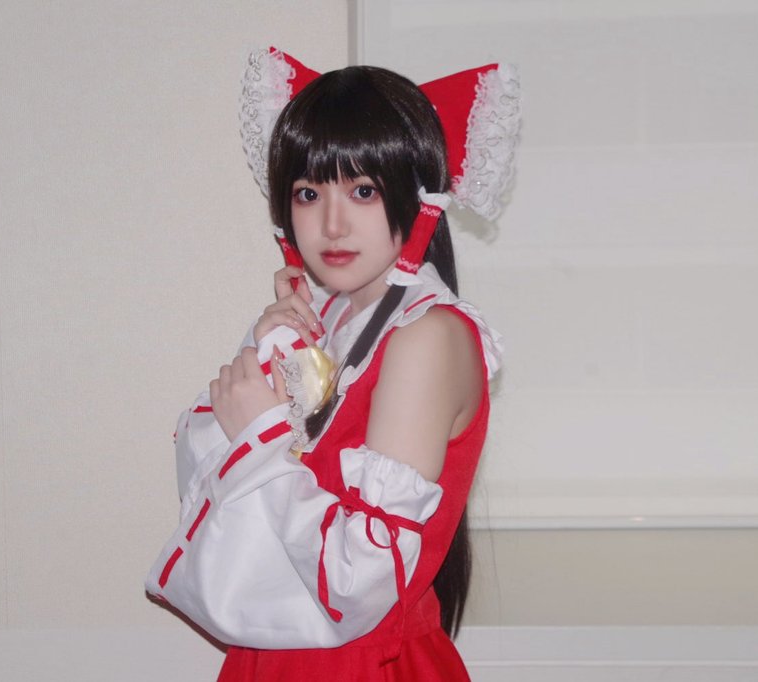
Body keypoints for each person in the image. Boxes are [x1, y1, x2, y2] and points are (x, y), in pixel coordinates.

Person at [147, 48, 520, 681]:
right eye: (308, 192)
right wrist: (271, 350)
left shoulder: (426, 337)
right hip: (276, 658)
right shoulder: (335, 321)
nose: (332, 223)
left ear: (420, 197)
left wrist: (262, 437)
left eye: (363, 190)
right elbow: (212, 498)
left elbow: (360, 578)